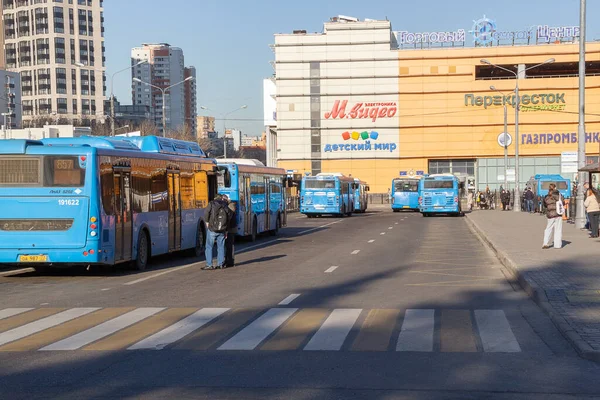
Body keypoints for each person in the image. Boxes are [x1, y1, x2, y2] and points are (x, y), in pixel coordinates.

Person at [202, 194, 232, 270]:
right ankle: (220, 264)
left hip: (212, 229)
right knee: (221, 247)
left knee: (209, 247)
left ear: (215, 198)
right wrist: (226, 229)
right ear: (221, 198)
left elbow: (206, 213)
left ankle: (209, 265)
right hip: (222, 230)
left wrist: (207, 222)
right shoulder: (225, 205)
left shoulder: (211, 203)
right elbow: (229, 216)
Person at [542, 183, 564, 249]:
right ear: (555, 188)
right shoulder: (558, 195)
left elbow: (545, 205)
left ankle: (545, 243)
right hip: (558, 214)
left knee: (548, 228)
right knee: (558, 229)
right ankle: (557, 245)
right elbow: (562, 202)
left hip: (550, 214)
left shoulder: (546, 196)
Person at [224, 196, 237, 268]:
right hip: (230, 229)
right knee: (228, 246)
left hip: (230, 229)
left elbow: (229, 218)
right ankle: (228, 260)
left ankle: (230, 261)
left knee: (230, 246)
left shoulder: (230, 206)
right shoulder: (230, 205)